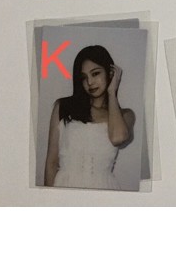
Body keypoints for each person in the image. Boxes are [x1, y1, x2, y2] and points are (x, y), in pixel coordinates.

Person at [44, 45, 135, 190]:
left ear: (110, 73)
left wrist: (112, 92)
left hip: (103, 190)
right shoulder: (64, 107)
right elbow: (51, 163)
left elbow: (118, 138)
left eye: (95, 73)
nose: (90, 82)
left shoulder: (125, 115)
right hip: (65, 187)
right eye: (84, 77)